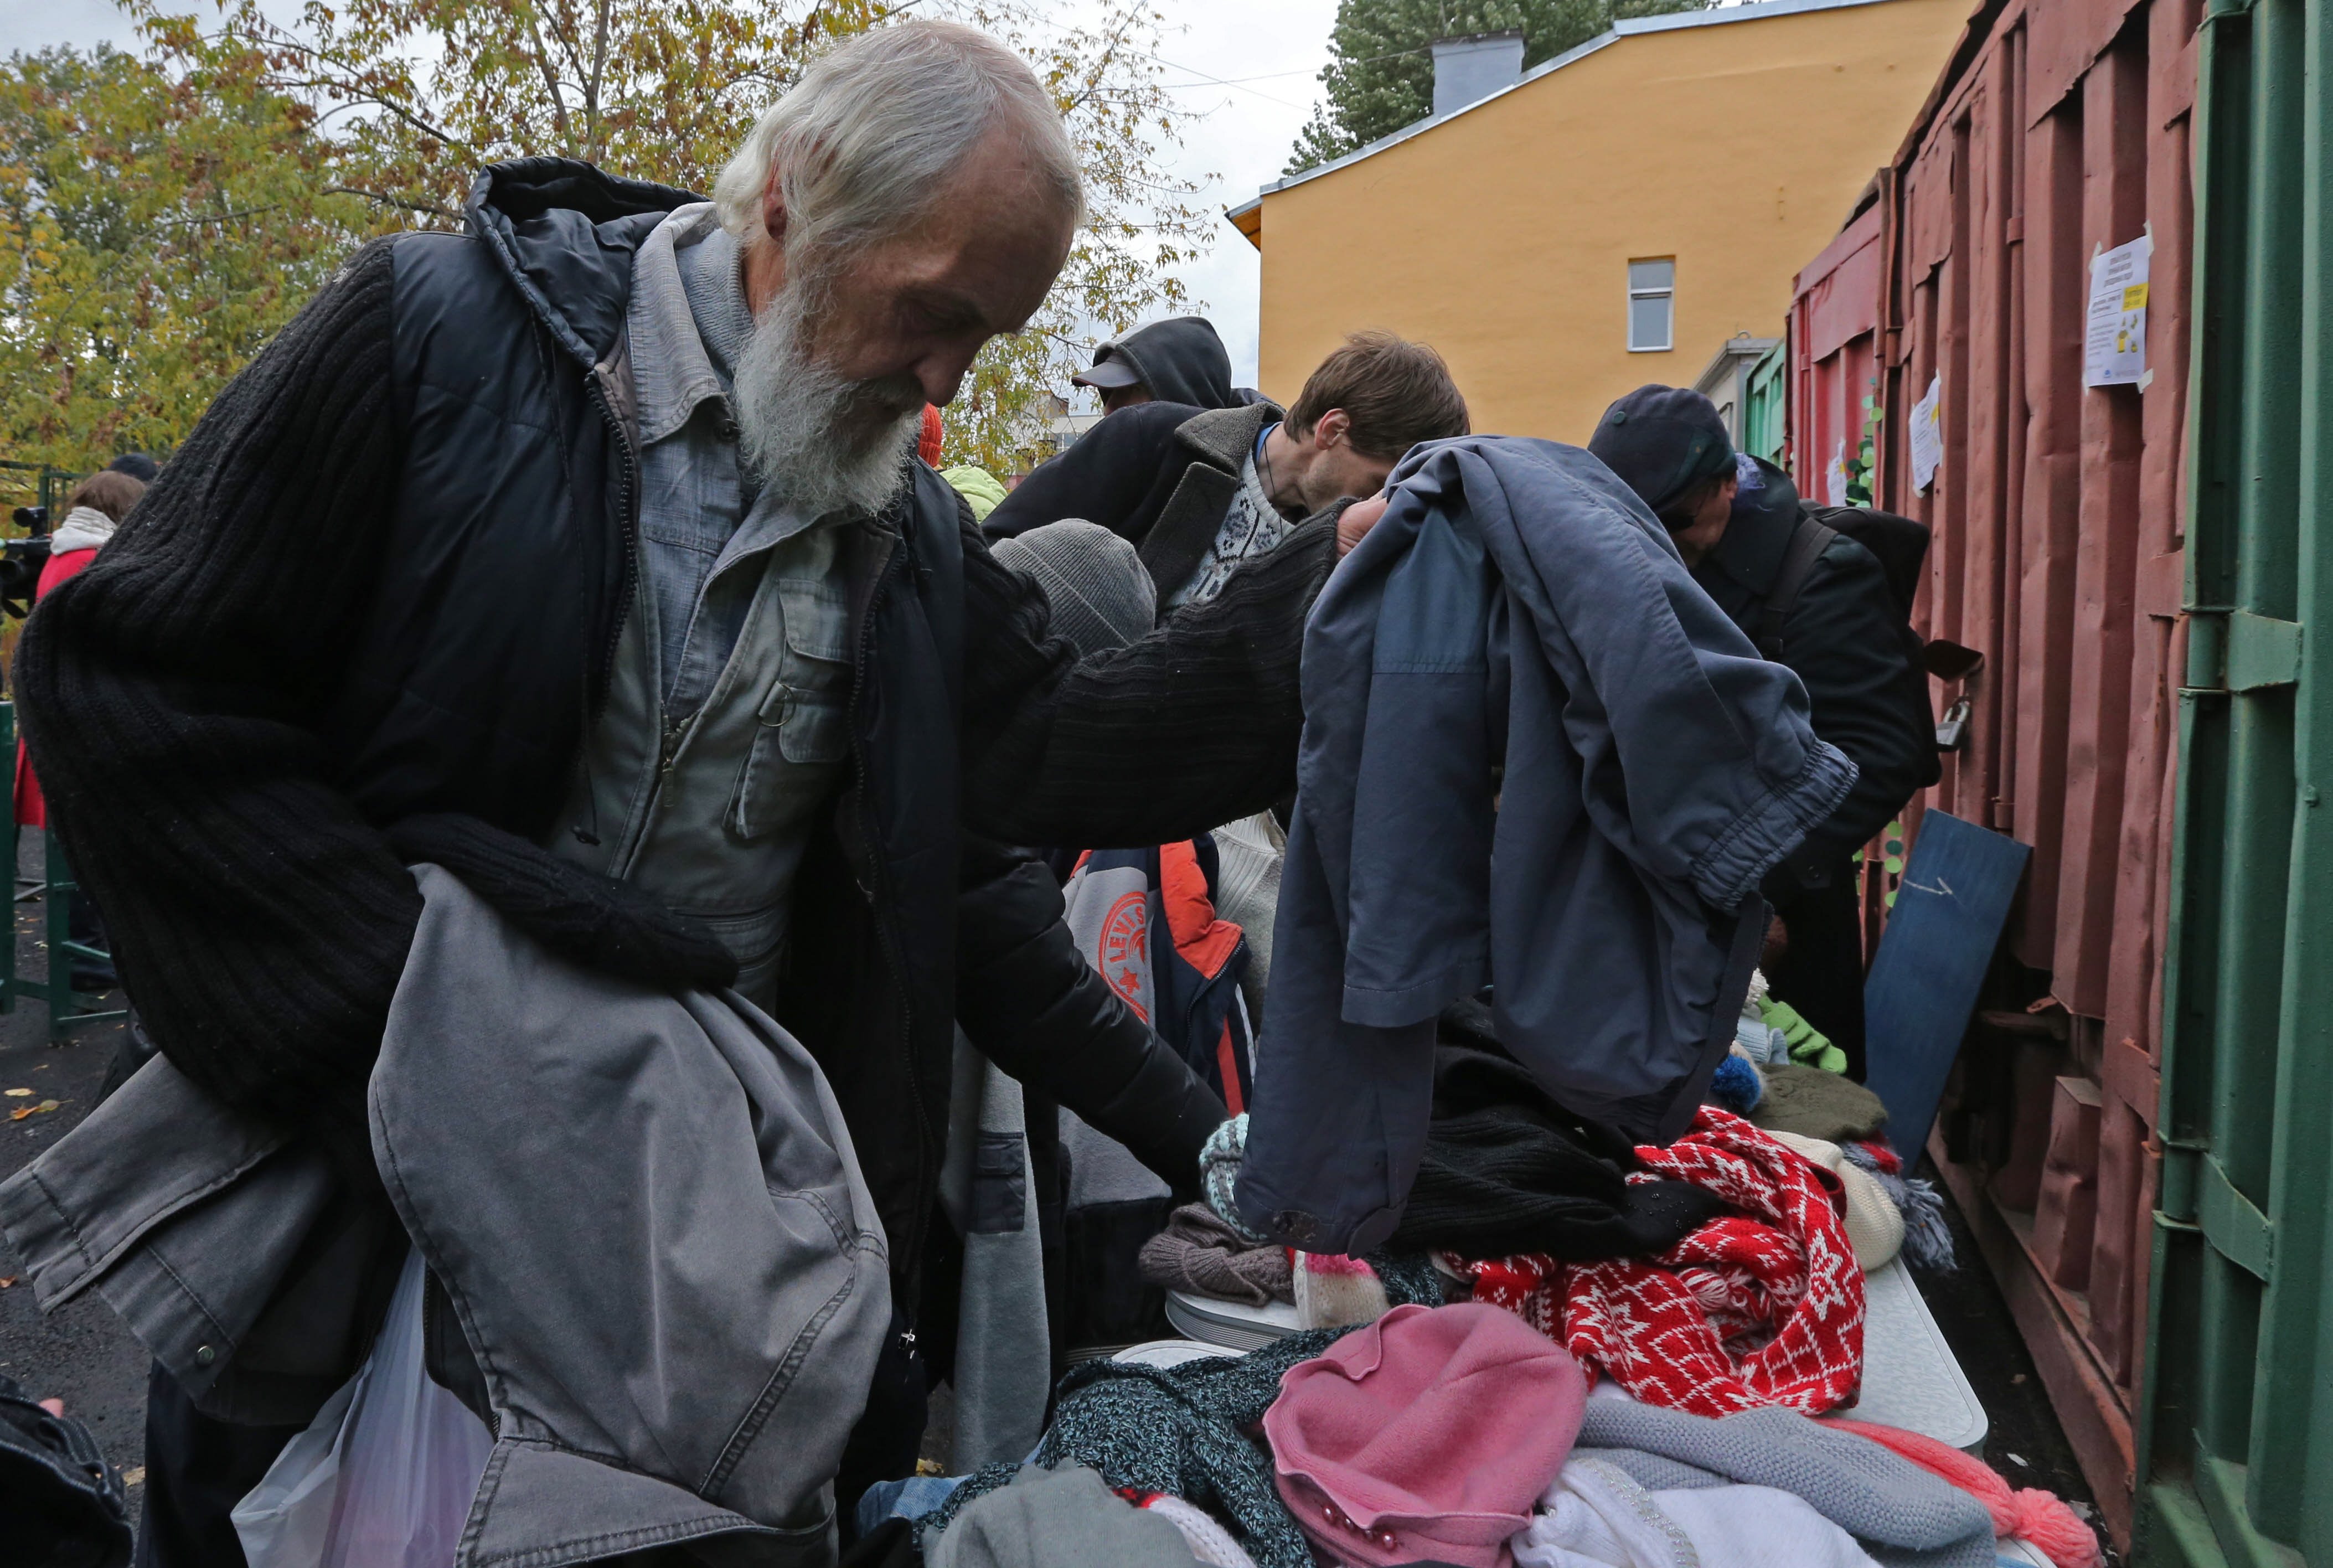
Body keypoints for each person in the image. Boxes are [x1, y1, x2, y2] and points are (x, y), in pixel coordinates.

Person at [16, 22, 1340, 1560]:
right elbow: (130, 678)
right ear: (791, 198)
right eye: (934, 316)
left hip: (665, 1271)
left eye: (982, 344)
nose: (943, 385)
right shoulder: (434, 344)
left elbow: (1035, 763)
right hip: (341, 1202)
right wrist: (407, 1028)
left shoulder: (899, 532)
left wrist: (1331, 600)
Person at [1587, 385, 1935, 1079]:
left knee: (1795, 1118)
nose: (1663, 543)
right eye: (1641, 526)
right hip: (1654, 901)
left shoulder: (1822, 576)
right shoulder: (1650, 551)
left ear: (1726, 484)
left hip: (1783, 918)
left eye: (1678, 520)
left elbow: (1883, 754)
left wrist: (1751, 879)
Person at [989, 328, 1470, 612]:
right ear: (1333, 430)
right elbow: (991, 557)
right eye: (1373, 485)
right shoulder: (1153, 439)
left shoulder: (1338, 546)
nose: (1375, 508)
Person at [12, 469, 144, 994]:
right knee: (85, 855)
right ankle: (87, 961)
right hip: (78, 731)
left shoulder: (65, 555)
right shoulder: (90, 560)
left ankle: (87, 957)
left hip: (61, 723)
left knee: (78, 854)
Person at [1069, 314, 1250, 413]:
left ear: (1186, 396)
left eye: (1133, 389)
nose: (1108, 409)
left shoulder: (1260, 479)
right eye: (1110, 393)